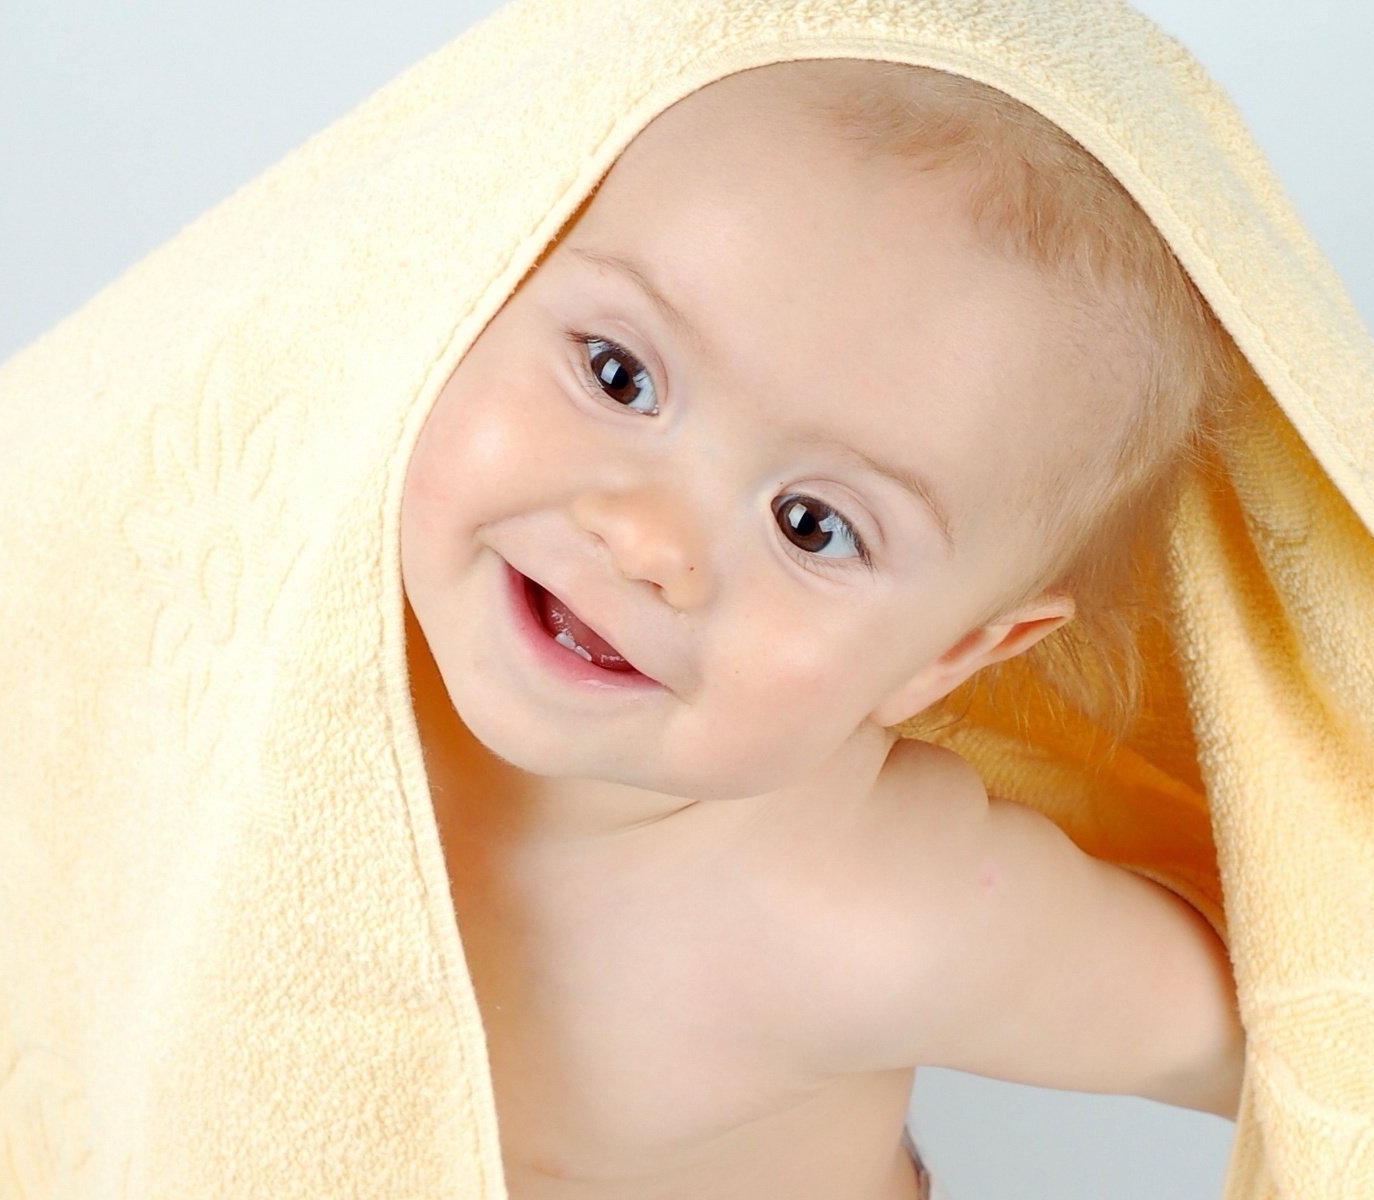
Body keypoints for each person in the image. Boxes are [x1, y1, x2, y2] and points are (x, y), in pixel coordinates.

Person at [399, 57, 1247, 1199]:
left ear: (953, 656)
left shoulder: (879, 911)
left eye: (814, 525)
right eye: (618, 374)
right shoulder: (292, 591)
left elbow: (1340, 1048)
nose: (650, 540)